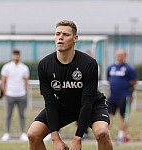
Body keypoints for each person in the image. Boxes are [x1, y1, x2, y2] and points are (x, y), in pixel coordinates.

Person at [27, 20, 113, 150]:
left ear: (75, 38)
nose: (60, 37)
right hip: (62, 106)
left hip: (91, 105)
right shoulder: (44, 65)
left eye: (66, 34)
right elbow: (50, 102)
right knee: (33, 134)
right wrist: (55, 139)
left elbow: (87, 103)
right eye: (57, 34)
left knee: (102, 133)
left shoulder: (89, 64)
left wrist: (77, 139)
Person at [107, 49, 137, 144]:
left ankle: (121, 136)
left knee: (123, 116)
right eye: (118, 55)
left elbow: (134, 81)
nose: (119, 57)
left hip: (124, 96)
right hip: (113, 96)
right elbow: (108, 78)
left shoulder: (129, 68)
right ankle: (106, 136)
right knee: (108, 116)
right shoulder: (111, 67)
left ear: (125, 56)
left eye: (121, 55)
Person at [0, 50, 30, 141]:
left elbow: (26, 81)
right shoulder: (6, 67)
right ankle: (7, 133)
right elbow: (3, 80)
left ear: (20, 56)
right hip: (10, 94)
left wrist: (25, 92)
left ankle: (23, 133)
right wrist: (5, 92)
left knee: (22, 115)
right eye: (15, 55)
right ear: (12, 56)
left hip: (21, 95)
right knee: (8, 115)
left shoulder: (24, 68)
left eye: (18, 55)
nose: (16, 57)